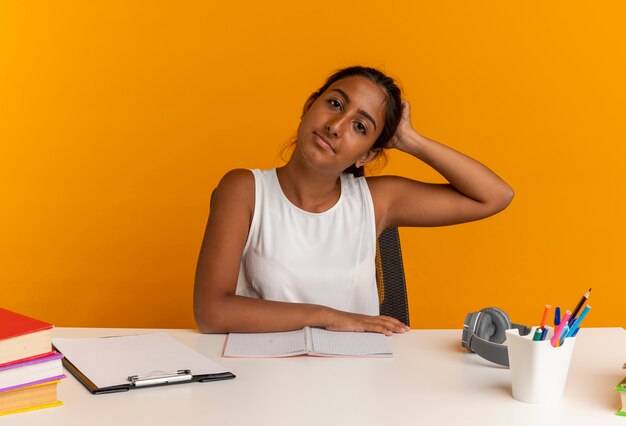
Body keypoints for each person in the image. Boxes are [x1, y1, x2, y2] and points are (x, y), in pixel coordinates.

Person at [194, 66, 513, 335]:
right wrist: (326, 317)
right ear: (309, 106)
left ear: (368, 154)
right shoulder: (244, 189)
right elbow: (211, 313)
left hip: (354, 377)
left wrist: (409, 140)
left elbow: (495, 196)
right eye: (334, 104)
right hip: (264, 376)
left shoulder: (377, 201)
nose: (336, 127)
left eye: (360, 126)